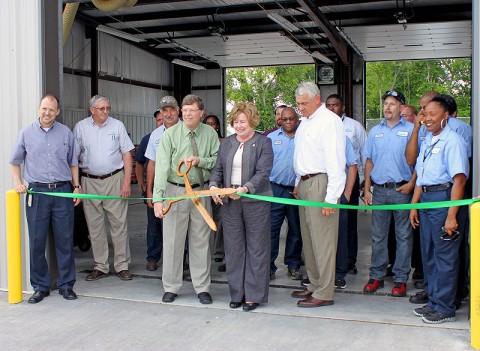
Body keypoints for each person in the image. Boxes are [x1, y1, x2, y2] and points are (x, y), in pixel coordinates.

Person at [9, 94, 80, 303]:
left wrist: (76, 187)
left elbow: (73, 163)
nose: (47, 113)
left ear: (57, 112)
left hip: (62, 192)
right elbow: (15, 161)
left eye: (51, 109)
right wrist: (17, 182)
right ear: (39, 109)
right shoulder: (26, 133)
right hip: (37, 193)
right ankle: (40, 286)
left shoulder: (66, 133)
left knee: (65, 240)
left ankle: (66, 285)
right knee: (37, 241)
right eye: (44, 109)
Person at [153, 94, 219, 305]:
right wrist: (158, 198)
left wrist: (201, 161)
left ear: (201, 113)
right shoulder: (170, 135)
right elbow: (161, 167)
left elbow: (218, 161)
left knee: (201, 241)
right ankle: (171, 286)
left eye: (192, 110)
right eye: (185, 110)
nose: (188, 113)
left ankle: (202, 287)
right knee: (172, 240)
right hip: (175, 193)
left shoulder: (210, 133)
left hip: (201, 193)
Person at [409, 95, 468, 324]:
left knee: (445, 256)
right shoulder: (429, 140)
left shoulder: (452, 141)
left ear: (446, 116)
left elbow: (460, 180)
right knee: (430, 256)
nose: (428, 119)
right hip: (426, 200)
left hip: (443, 200)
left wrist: (452, 216)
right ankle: (433, 302)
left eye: (433, 114)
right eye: (425, 114)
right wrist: (415, 205)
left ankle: (445, 308)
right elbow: (421, 177)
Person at [210, 101, 273, 311]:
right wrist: (213, 186)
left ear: (252, 121)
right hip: (230, 203)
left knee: (257, 249)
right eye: (236, 121)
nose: (239, 125)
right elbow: (218, 169)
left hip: (256, 202)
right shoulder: (226, 143)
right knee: (234, 249)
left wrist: (245, 189)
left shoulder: (264, 143)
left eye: (243, 121)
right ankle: (237, 293)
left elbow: (263, 173)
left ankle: (253, 296)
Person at [290, 82, 346, 308]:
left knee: (323, 241)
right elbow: (303, 155)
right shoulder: (306, 122)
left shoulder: (329, 122)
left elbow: (336, 162)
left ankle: (324, 291)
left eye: (303, 103)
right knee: (310, 239)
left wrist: (331, 197)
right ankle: (314, 284)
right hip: (305, 183)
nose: (300, 108)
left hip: (322, 184)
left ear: (316, 99)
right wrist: (297, 182)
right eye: (298, 104)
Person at [74, 95, 134, 281]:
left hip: (114, 179)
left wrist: (126, 182)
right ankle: (101, 266)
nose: (106, 112)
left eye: (107, 108)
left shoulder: (117, 126)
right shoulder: (80, 127)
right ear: (92, 110)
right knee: (95, 225)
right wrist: (77, 185)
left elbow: (127, 154)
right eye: (101, 109)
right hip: (89, 181)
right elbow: (74, 159)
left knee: (119, 223)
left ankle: (122, 265)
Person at [362, 90, 415, 297]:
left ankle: (400, 279)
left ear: (401, 107)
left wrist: (412, 183)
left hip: (402, 190)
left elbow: (419, 160)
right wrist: (367, 189)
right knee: (378, 236)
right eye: (386, 103)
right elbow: (369, 161)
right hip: (381, 191)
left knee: (403, 236)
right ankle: (376, 275)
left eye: (393, 104)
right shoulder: (375, 131)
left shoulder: (412, 130)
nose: (388, 107)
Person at [325, 94, 366, 275]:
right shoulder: (322, 126)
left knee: (349, 221)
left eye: (335, 105)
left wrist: (364, 181)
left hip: (350, 177)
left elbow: (364, 153)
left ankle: (350, 261)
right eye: (328, 105)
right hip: (328, 180)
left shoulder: (354, 126)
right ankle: (330, 261)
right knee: (328, 221)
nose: (331, 108)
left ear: (343, 107)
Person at [267, 107, 303, 281]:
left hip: (297, 190)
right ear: (279, 120)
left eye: (291, 119)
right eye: (285, 119)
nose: (288, 122)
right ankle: (269, 267)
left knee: (296, 230)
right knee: (272, 229)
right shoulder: (270, 139)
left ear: (297, 119)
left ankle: (293, 265)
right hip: (275, 189)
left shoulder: (305, 137)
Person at [135, 109, 164, 271]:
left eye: (162, 119)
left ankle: (182, 259)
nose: (161, 122)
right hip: (153, 188)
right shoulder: (149, 138)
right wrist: (142, 184)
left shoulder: (179, 134)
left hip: (173, 187)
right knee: (154, 225)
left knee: (177, 226)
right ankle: (153, 257)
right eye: (158, 120)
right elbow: (140, 163)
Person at [203, 114, 225, 269]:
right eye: (208, 123)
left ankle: (218, 251)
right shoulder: (201, 141)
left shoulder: (224, 142)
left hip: (219, 185)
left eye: (214, 123)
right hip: (203, 185)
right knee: (203, 218)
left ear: (217, 126)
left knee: (219, 218)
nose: (211, 126)